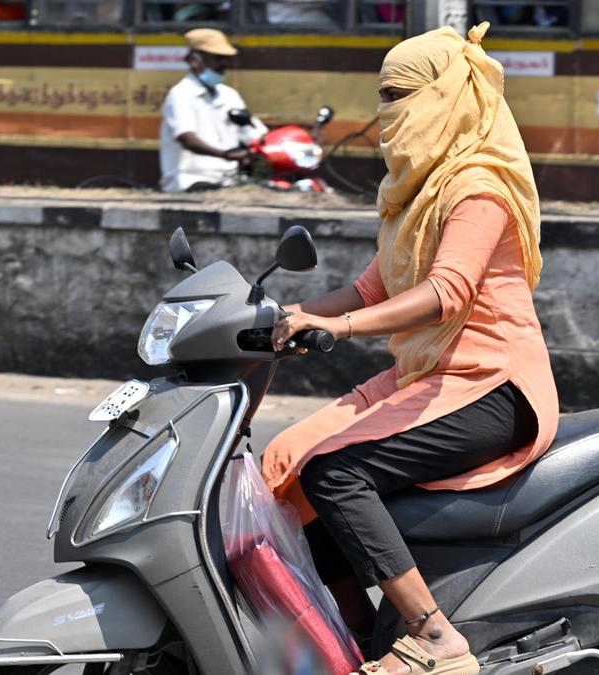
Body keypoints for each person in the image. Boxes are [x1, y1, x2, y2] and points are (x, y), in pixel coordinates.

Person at [262, 23, 560, 675]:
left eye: (402, 94)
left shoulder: (477, 186)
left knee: (335, 471)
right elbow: (370, 288)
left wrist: (337, 330)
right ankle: (360, 640)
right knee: (284, 473)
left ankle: (435, 638)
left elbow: (446, 292)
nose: (388, 111)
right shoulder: (417, 191)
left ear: (448, 96)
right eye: (383, 95)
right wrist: (293, 314)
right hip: (426, 372)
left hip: (490, 385)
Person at [159, 28, 266, 193]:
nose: (225, 64)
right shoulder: (181, 94)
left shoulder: (229, 95)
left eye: (226, 59)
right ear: (195, 60)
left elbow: (255, 134)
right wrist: (225, 155)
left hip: (228, 181)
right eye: (218, 58)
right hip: (189, 180)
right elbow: (187, 139)